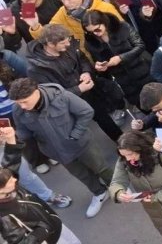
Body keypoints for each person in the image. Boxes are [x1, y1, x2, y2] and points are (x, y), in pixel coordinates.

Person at [10, 78, 116, 218]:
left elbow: (86, 111)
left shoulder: (60, 96)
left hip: (82, 144)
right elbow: (25, 134)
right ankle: (100, 193)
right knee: (82, 175)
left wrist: (76, 134)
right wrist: (13, 136)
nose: (22, 106)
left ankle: (117, 187)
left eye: (24, 101)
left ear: (36, 92)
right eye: (18, 103)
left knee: (100, 167)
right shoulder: (18, 110)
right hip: (58, 152)